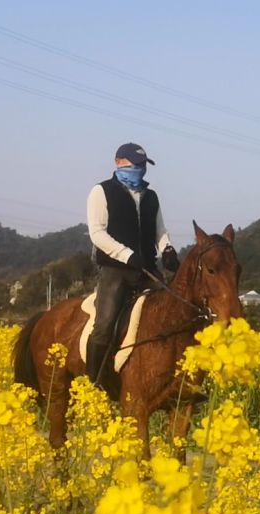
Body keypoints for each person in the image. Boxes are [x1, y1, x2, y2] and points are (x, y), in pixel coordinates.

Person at [85, 142, 180, 383]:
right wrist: (126, 254)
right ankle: (95, 381)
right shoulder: (101, 191)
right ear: (119, 163)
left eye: (142, 166)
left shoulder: (151, 196)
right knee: (105, 324)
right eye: (135, 165)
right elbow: (97, 233)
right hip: (115, 270)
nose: (139, 169)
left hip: (147, 268)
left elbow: (160, 230)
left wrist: (167, 250)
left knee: (175, 313)